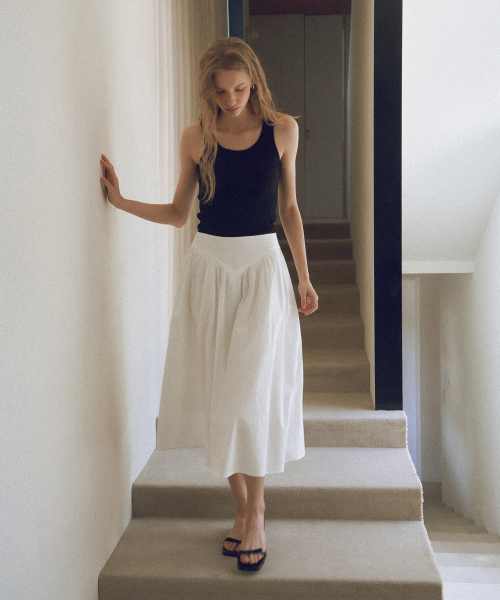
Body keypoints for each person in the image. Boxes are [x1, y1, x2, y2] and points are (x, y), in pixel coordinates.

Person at [100, 36, 318, 572]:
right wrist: (121, 201)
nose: (231, 99)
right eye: (221, 91)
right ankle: (241, 509)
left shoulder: (283, 130)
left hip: (262, 269)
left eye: (240, 88)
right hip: (209, 269)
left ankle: (258, 510)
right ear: (208, 90)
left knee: (251, 394)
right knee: (221, 396)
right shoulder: (196, 138)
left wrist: (304, 278)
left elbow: (289, 208)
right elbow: (180, 213)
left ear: (254, 82)